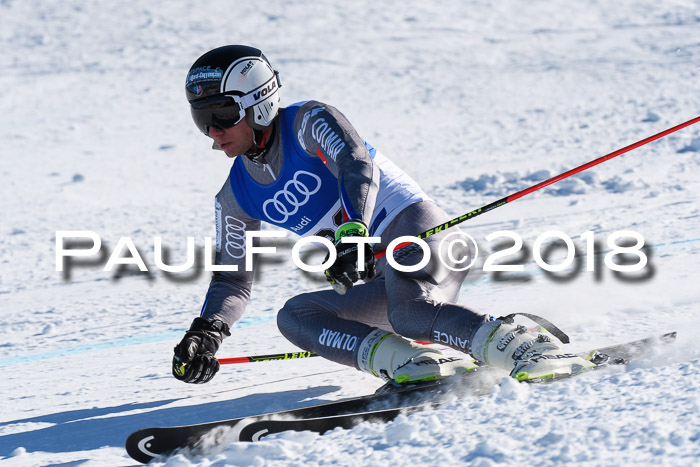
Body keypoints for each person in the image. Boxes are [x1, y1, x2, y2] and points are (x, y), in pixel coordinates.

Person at [172, 45, 594, 385]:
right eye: (201, 119)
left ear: (258, 103)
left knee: (408, 313)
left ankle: (527, 347)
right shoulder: (235, 195)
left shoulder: (307, 122)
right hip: (377, 273)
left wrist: (354, 231)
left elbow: (355, 162)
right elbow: (232, 277)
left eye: (222, 115)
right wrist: (207, 332)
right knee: (295, 317)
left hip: (418, 232)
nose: (213, 131)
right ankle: (415, 362)